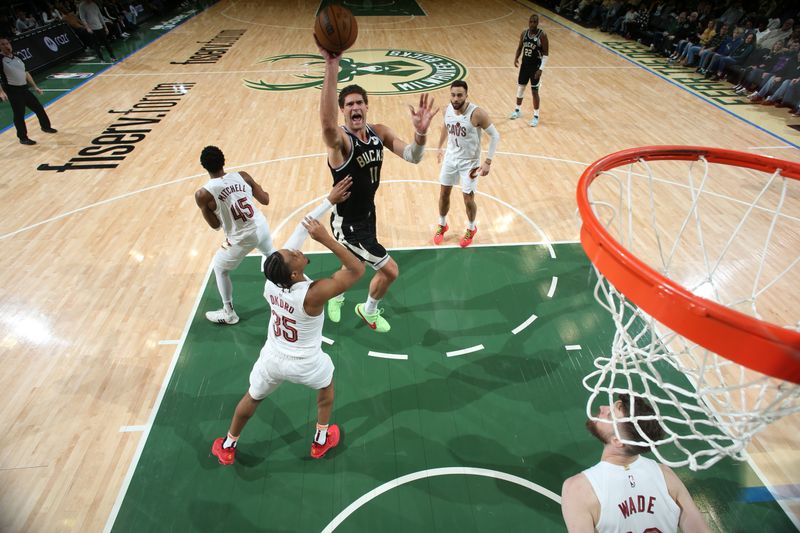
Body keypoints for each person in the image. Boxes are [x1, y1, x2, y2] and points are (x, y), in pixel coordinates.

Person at [211, 180, 364, 465]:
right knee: (326, 393)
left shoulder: (272, 281)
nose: (294, 251)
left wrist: (328, 201)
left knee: (252, 398)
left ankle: (228, 444)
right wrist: (327, 240)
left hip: (272, 357)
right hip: (306, 362)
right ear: (294, 275)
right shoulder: (312, 294)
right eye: (292, 255)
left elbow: (297, 232)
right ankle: (320, 441)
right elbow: (356, 270)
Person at [317, 38, 439, 333]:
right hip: (348, 224)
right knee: (390, 271)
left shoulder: (378, 132)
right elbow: (327, 125)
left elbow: (412, 156)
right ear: (343, 111)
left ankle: (339, 293)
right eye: (349, 105)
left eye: (359, 102)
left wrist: (420, 134)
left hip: (367, 214)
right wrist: (332, 65)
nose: (355, 107)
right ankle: (367, 310)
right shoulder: (341, 143)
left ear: (367, 107)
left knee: (353, 264)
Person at [561, 394, 711, 533]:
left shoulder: (577, 489)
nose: (602, 408)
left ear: (618, 441)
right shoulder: (666, 476)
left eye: (610, 414)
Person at [195, 145, 275, 325]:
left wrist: (211, 210)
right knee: (271, 257)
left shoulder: (202, 194)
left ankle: (229, 313)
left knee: (220, 268)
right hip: (261, 226)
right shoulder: (243, 176)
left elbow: (215, 225)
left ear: (203, 166)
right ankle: (287, 294)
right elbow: (266, 199)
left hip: (241, 237)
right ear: (224, 160)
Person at [433, 80, 500, 248]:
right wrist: (439, 146)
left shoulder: (477, 114)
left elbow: (495, 136)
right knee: (443, 193)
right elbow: (446, 126)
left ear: (466, 96)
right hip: (450, 159)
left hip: (469, 163)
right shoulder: (447, 109)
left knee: (468, 199)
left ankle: (471, 228)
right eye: (453, 95)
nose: (455, 98)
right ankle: (442, 224)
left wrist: (488, 162)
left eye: (459, 95)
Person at [0, 37, 57, 145]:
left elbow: (25, 72)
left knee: (39, 108)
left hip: (24, 88)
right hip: (13, 90)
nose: (6, 46)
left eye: (7, 43)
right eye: (3, 44)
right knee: (19, 114)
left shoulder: (18, 56)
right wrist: (1, 92)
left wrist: (35, 86)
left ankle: (46, 127)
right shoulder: (0, 59)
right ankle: (23, 137)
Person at [510, 14, 549, 127]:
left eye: (534, 22)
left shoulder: (542, 35)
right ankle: (517, 110)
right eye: (531, 21)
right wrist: (516, 57)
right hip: (525, 66)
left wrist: (541, 69)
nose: (532, 24)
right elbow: (520, 47)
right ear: (528, 22)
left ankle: (536, 116)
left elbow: (546, 54)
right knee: (521, 87)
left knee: (534, 92)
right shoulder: (524, 33)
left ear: (537, 23)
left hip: (535, 67)